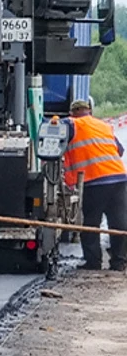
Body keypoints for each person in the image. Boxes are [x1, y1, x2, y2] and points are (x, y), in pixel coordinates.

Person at [64, 98, 127, 270]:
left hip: (94, 180)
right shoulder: (103, 125)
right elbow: (119, 150)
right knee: (119, 222)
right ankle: (119, 262)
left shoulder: (70, 124)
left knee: (91, 222)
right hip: (118, 177)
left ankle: (93, 262)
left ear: (73, 113)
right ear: (89, 111)